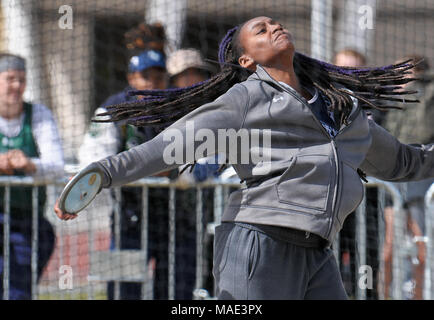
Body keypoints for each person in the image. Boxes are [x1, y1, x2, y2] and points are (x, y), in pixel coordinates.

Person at [56, 16, 434, 300]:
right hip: (257, 245)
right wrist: (101, 173)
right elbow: (167, 147)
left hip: (319, 253)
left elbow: (405, 162)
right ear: (246, 61)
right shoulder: (245, 100)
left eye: (275, 23)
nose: (274, 27)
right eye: (260, 30)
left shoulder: (343, 107)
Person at [0, 53, 64, 299]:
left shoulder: (37, 114)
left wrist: (29, 164)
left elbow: (57, 165)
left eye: (22, 79)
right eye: (10, 78)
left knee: (17, 290)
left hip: (27, 220)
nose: (17, 86)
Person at [381, 55, 434, 300]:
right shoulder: (393, 98)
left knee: (421, 240)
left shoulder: (428, 92)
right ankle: (387, 295)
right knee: (389, 243)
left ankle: (420, 295)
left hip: (420, 176)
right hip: (393, 176)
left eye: (404, 71)